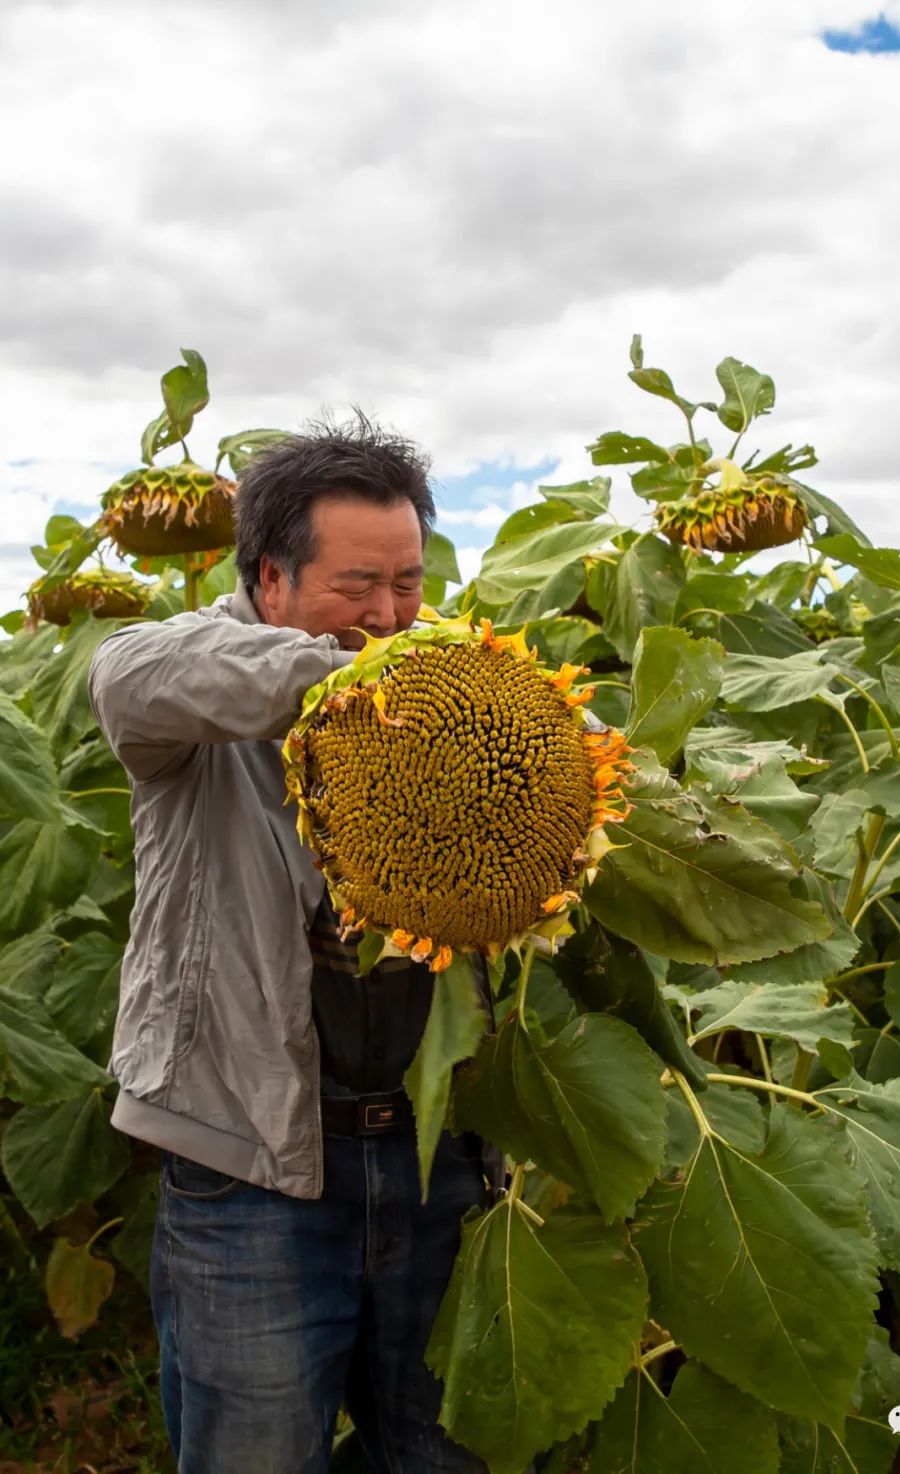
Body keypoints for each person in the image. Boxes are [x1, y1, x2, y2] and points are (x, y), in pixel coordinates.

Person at [88, 416, 493, 1474]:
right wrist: (368, 673)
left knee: (444, 1451)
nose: (390, 615)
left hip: (431, 1157)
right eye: (357, 585)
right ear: (269, 578)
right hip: (251, 1169)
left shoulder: (441, 702)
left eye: (407, 583)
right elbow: (127, 677)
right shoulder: (185, 695)